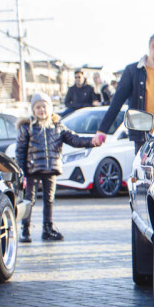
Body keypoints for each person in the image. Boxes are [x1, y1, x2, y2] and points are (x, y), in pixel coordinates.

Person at [14, 92, 102, 242]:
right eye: (38, 107)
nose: (42, 110)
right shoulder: (27, 128)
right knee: (29, 199)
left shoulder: (58, 127)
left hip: (51, 169)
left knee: (49, 200)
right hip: (32, 170)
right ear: (33, 110)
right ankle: (25, 229)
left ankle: (47, 229)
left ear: (50, 108)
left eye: (44, 106)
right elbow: (20, 151)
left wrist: (92, 141)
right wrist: (22, 171)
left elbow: (75, 139)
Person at [96, 32, 154, 154]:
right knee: (143, 173)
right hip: (143, 138)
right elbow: (117, 102)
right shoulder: (133, 71)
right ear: (153, 46)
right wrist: (102, 130)